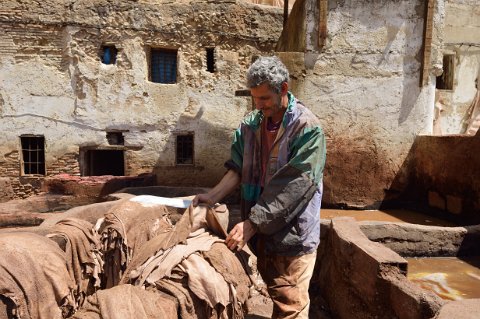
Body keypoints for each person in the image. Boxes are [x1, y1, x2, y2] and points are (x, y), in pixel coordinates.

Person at [193, 56, 326, 319]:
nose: (258, 104)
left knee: (291, 307)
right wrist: (212, 196)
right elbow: (238, 169)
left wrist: (251, 223)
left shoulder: (307, 130)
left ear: (284, 89)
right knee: (277, 295)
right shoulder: (250, 126)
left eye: (264, 98)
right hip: (263, 233)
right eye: (254, 98)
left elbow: (295, 187)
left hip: (293, 236)